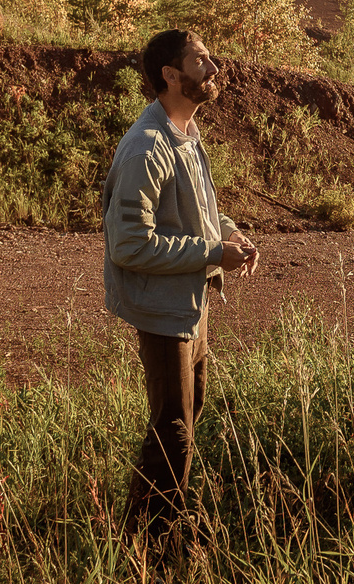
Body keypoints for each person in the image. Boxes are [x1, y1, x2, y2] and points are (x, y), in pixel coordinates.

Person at [102, 28, 258, 539]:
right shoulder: (147, 147)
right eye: (201, 60)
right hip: (163, 312)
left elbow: (191, 212)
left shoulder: (185, 136)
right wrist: (214, 253)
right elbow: (130, 245)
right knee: (174, 432)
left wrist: (228, 232)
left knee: (186, 420)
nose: (215, 68)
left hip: (190, 306)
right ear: (171, 75)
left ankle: (155, 536)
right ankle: (151, 548)